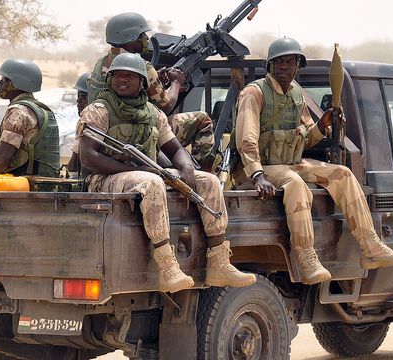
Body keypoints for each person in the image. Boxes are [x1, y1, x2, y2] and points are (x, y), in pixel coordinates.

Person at [234, 37, 393, 285]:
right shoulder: (254, 93)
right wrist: (257, 175)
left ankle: (370, 247)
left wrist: (321, 125)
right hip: (257, 169)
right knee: (295, 184)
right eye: (280, 62)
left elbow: (304, 139)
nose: (285, 66)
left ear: (297, 66)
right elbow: (246, 140)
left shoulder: (296, 95)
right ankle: (306, 258)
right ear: (270, 65)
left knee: (342, 174)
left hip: (290, 163)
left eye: (291, 62)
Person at [77, 53, 256, 293]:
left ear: (142, 81)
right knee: (152, 182)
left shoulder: (153, 113)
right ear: (109, 80)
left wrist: (186, 167)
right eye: (118, 75)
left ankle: (218, 261)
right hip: (102, 179)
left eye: (129, 76)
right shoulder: (98, 110)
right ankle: (167, 266)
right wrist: (138, 169)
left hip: (139, 174)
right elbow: (89, 157)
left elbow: (174, 148)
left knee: (210, 182)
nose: (122, 80)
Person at [88, 12, 215, 171]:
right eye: (142, 35)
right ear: (132, 37)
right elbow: (167, 106)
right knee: (203, 120)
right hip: (133, 128)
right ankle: (198, 173)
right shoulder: (142, 65)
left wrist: (157, 82)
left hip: (101, 127)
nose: (146, 39)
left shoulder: (100, 64)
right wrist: (176, 82)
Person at [67, 73, 89, 173]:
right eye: (78, 95)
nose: (78, 100)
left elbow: (73, 166)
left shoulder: (88, 121)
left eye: (83, 96)